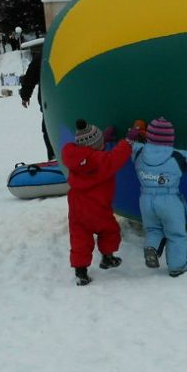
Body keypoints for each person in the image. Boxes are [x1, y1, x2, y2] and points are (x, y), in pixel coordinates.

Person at [128, 117, 187, 277]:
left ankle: (151, 248)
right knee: (175, 233)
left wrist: (138, 131)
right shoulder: (176, 156)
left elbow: (135, 145)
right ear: (171, 139)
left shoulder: (139, 152)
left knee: (153, 229)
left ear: (149, 136)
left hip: (145, 200)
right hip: (169, 201)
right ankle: (178, 265)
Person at [61, 119, 132, 286]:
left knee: (79, 239)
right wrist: (128, 141)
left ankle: (81, 272)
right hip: (99, 209)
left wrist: (103, 141)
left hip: (78, 209)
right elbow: (116, 156)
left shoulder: (74, 158)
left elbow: (88, 155)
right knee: (109, 231)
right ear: (97, 146)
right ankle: (107, 257)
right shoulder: (103, 161)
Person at [19, 50, 55, 160]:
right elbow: (31, 75)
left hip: (50, 101)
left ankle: (54, 157)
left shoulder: (44, 54)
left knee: (50, 130)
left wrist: (25, 95)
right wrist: (25, 94)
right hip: (55, 100)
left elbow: (30, 75)